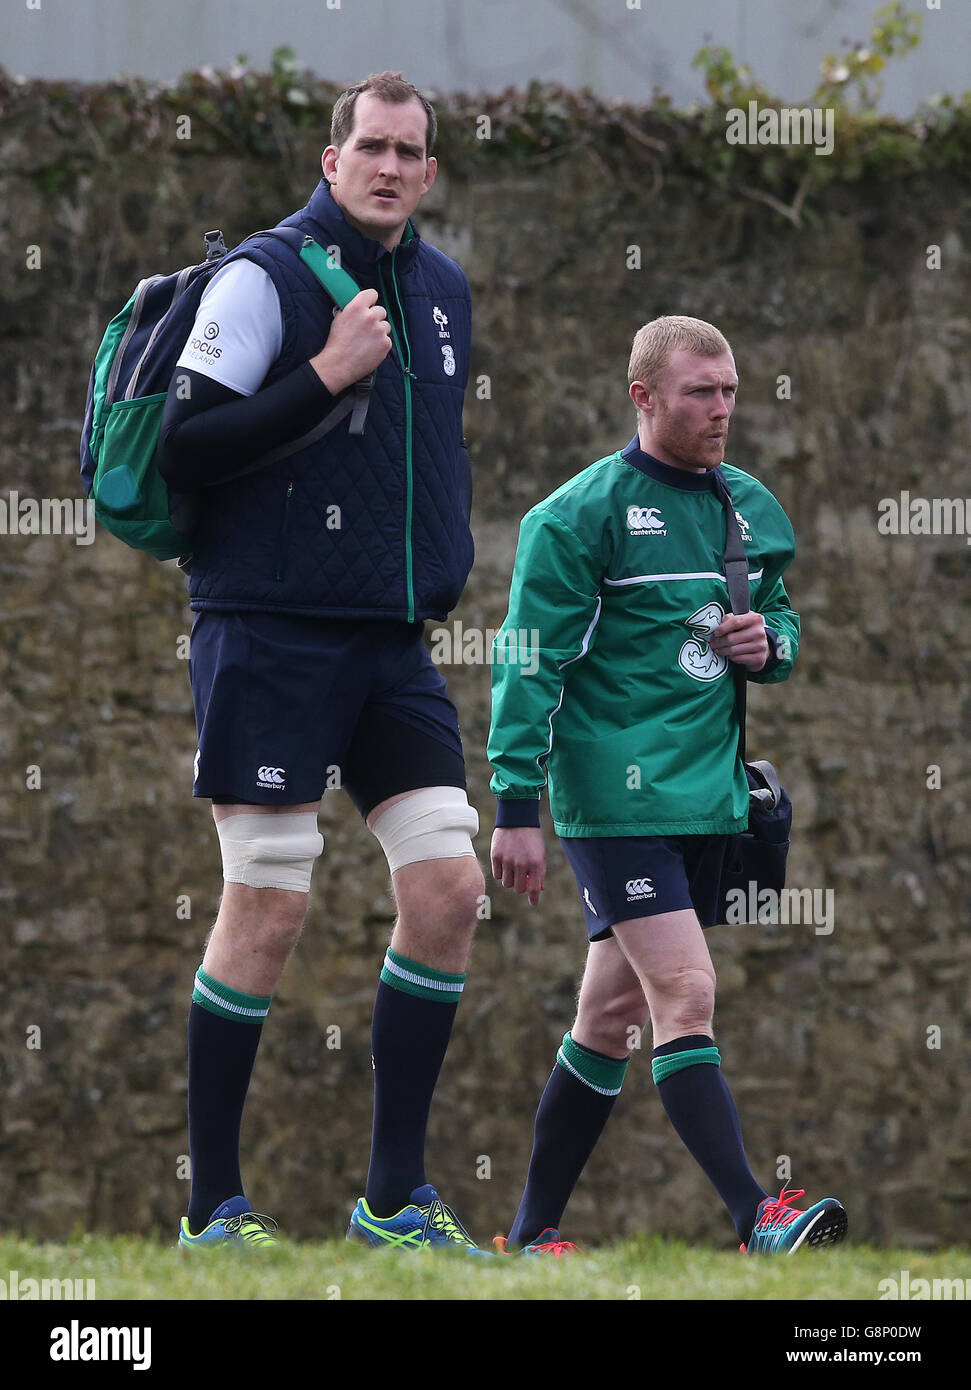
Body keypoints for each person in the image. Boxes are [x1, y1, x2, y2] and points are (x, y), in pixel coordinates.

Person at [157, 71, 486, 1252]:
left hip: (391, 643)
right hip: (268, 630)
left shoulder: (440, 289)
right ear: (332, 157)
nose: (390, 167)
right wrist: (325, 372)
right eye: (372, 148)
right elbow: (185, 447)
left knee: (447, 892)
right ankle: (214, 1212)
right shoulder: (263, 276)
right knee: (268, 906)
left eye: (411, 151)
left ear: (429, 171)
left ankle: (393, 1202)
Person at [488, 315, 847, 1256]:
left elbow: (781, 619)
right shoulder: (575, 518)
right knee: (684, 994)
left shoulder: (749, 507)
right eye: (700, 392)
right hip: (614, 801)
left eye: (730, 390)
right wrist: (515, 808)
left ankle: (530, 1235)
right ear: (642, 396)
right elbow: (526, 662)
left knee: (607, 1017)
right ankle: (755, 1218)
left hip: (709, 798)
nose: (722, 409)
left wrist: (768, 646)